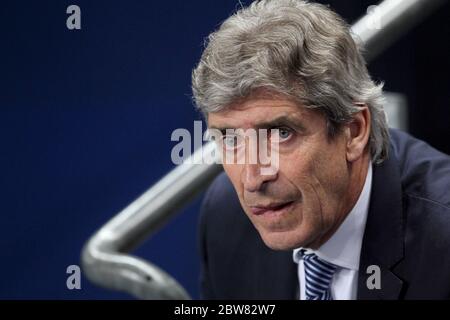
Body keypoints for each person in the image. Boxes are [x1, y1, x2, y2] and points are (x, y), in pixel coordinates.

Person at [191, 0, 450, 300]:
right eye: (231, 138)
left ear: (354, 131)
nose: (252, 180)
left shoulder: (442, 241)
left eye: (280, 134)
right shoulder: (225, 217)